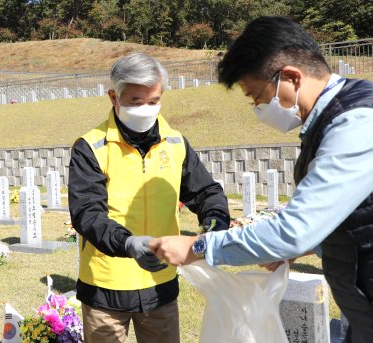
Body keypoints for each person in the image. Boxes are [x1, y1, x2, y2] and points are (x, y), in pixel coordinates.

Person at [150, 16, 373, 343]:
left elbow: (295, 230)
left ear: (291, 77)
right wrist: (306, 246)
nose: (257, 108)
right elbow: (347, 213)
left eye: (257, 96)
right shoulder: (330, 120)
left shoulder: (356, 123)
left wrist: (198, 246)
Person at [68, 52, 230, 342]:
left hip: (161, 285)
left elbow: (205, 192)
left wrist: (216, 223)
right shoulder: (90, 147)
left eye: (154, 101)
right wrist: (128, 243)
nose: (146, 109)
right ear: (113, 98)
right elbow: (87, 213)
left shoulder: (176, 142)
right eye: (136, 101)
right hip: (106, 287)